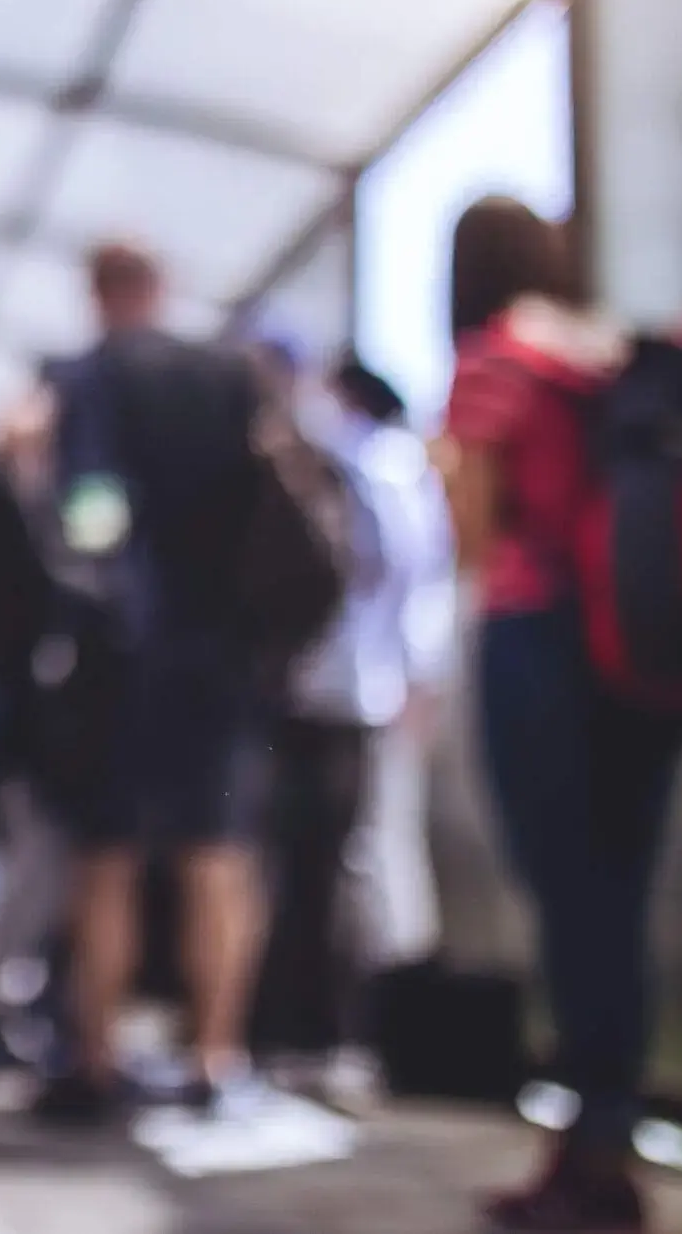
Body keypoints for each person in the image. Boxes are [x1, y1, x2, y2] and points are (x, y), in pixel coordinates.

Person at [440, 196, 673, 1233]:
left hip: (539, 637)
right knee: (618, 905)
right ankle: (605, 1142)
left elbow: (474, 535)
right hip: (644, 648)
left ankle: (583, 1162)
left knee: (568, 898)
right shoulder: (609, 347)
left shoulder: (495, 357)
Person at [34, 240, 274, 1122]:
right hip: (222, 650)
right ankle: (216, 1057)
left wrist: (95, 571)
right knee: (218, 854)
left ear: (98, 291)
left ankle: (96, 1060)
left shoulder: (91, 375)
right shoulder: (230, 373)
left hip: (123, 650)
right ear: (161, 285)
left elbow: (90, 507)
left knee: (109, 859)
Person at [249, 337, 456, 1102]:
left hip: (337, 689)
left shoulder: (358, 463)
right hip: (348, 689)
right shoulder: (375, 467)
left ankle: (335, 1036)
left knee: (330, 866)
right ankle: (317, 1037)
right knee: (331, 865)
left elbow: (409, 573)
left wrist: (414, 673)